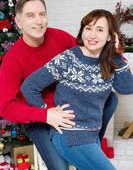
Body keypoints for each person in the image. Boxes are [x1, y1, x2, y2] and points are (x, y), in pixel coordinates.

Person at [0, 0, 116, 169]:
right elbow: (5, 107)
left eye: (42, 14)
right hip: (39, 118)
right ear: (18, 22)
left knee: (111, 99)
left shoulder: (59, 37)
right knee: (60, 167)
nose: (38, 21)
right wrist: (45, 114)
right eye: (30, 16)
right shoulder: (12, 60)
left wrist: (111, 46)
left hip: (71, 106)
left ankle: (91, 145)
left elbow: (88, 52)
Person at [21, 9, 133, 170]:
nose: (92, 34)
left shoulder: (109, 61)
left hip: (92, 136)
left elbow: (127, 88)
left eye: (99, 30)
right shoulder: (68, 59)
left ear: (110, 36)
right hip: (69, 136)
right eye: (88, 28)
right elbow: (29, 87)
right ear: (82, 31)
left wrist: (116, 54)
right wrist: (46, 112)